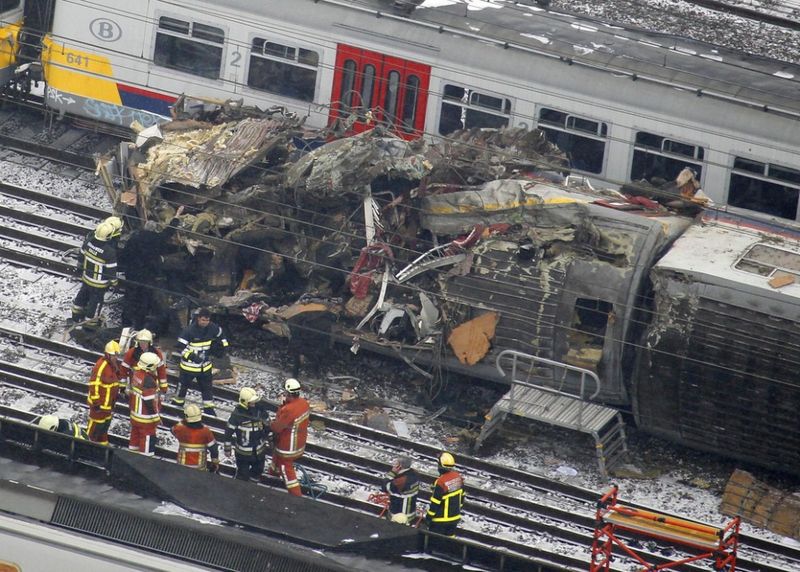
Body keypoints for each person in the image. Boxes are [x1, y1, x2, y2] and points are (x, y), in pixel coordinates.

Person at [117, 208, 183, 330]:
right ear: (154, 229)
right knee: (143, 300)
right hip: (147, 276)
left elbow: (124, 255)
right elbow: (168, 232)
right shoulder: (157, 239)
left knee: (130, 296)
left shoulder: (134, 238)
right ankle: (139, 325)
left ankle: (125, 321)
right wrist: (176, 218)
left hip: (132, 274)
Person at [173, 307, 228, 416]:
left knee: (207, 389)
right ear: (198, 319)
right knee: (182, 388)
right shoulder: (189, 331)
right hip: (189, 367)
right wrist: (192, 356)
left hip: (205, 367)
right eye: (203, 320)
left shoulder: (213, 328)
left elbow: (223, 338)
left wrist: (221, 349)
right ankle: (177, 406)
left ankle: (209, 409)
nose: (205, 323)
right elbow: (179, 348)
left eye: (207, 320)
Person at [70, 220, 118, 324]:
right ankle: (90, 324)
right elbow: (111, 271)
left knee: (82, 296)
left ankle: (76, 316)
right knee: (95, 303)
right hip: (99, 284)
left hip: (86, 278)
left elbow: (81, 257)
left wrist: (79, 268)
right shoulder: (109, 252)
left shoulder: (88, 242)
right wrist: (114, 283)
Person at [269, 378, 310, 497]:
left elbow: (277, 427)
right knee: (276, 459)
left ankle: (296, 496)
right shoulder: (304, 403)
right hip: (299, 443)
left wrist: (269, 423)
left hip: (287, 447)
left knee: (286, 469)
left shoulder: (288, 409)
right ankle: (272, 475)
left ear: (287, 393)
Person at [223, 387, 272, 482]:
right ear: (244, 402)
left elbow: (268, 426)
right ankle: (241, 490)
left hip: (259, 452)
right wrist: (227, 449)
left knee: (257, 472)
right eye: (251, 402)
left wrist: (270, 438)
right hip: (243, 454)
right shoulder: (237, 415)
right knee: (243, 475)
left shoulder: (260, 411)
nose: (254, 404)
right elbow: (228, 433)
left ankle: (252, 489)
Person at [85, 339, 126, 445]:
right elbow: (94, 385)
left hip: (108, 405)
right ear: (108, 354)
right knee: (94, 427)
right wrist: (96, 403)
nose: (115, 358)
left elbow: (117, 379)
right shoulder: (101, 366)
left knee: (104, 426)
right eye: (114, 355)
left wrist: (121, 389)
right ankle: (86, 445)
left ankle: (102, 444)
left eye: (116, 355)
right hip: (99, 405)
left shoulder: (113, 365)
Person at [128, 352, 163, 455]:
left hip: (135, 416)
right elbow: (149, 402)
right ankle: (144, 462)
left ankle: (131, 457)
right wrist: (156, 418)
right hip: (146, 419)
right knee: (147, 441)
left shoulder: (137, 374)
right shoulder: (149, 381)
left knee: (135, 438)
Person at [425, 452, 465, 536]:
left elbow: (435, 502)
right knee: (449, 541)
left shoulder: (441, 482)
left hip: (441, 520)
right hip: (455, 517)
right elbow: (462, 496)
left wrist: (429, 517)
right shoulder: (458, 477)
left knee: (435, 541)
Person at [172, 403, 220, 472]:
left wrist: (184, 421)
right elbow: (214, 448)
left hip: (182, 467)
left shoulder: (180, 429)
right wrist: (215, 463)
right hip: (199, 469)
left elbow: (172, 430)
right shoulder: (206, 431)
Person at [121, 329, 168, 395]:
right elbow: (123, 370)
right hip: (135, 385)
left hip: (150, 385)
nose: (143, 344)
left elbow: (162, 372)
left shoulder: (157, 353)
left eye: (145, 342)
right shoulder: (131, 353)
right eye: (141, 342)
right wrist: (122, 387)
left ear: (149, 342)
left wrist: (163, 389)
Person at [383, 456, 420, 524]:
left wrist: (392, 473)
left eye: (396, 463)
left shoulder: (401, 481)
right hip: (410, 513)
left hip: (399, 516)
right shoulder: (414, 473)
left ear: (399, 466)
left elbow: (385, 487)